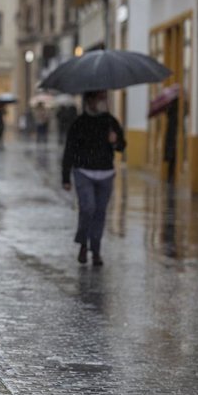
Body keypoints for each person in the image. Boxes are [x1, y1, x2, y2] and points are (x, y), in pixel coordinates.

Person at [62, 90, 125, 266]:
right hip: (83, 172)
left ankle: (95, 250)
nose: (102, 102)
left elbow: (122, 146)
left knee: (100, 212)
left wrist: (115, 140)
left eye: (104, 99)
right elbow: (69, 151)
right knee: (88, 208)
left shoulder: (110, 121)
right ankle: (83, 243)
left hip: (105, 173)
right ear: (90, 100)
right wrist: (65, 177)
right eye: (100, 98)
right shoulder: (79, 123)